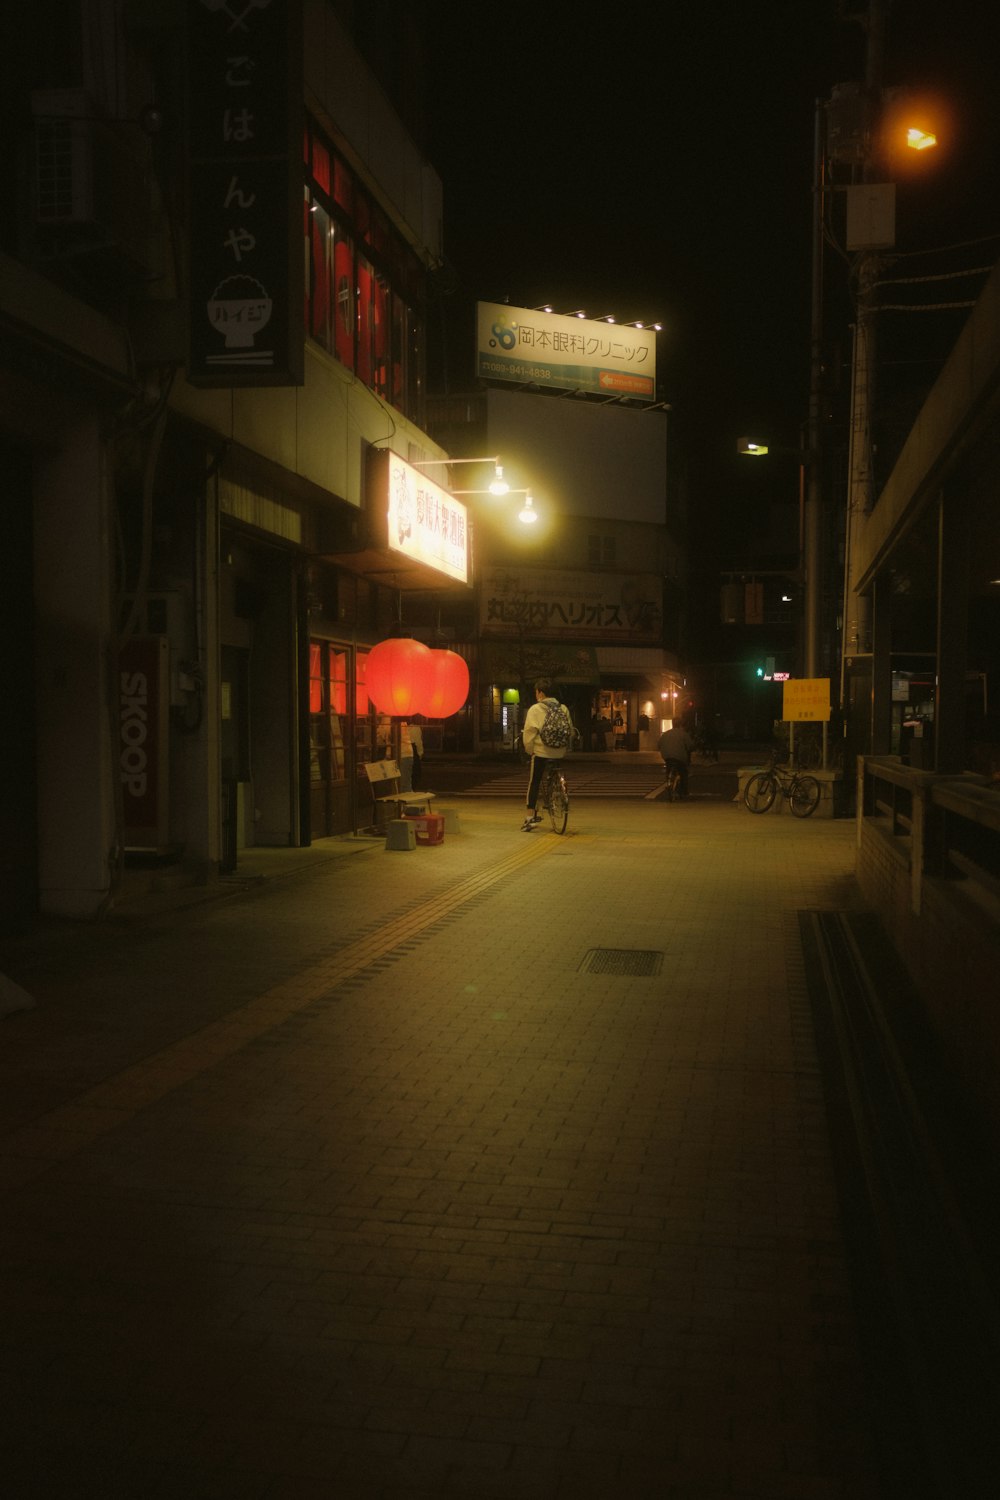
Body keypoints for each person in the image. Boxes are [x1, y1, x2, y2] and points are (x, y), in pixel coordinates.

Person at [520, 678, 572, 831]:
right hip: (559, 751)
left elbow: (529, 733)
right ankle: (558, 792)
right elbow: (569, 731)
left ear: (541, 693)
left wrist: (530, 750)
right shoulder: (563, 709)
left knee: (534, 782)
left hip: (541, 751)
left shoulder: (535, 709)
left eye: (536, 692)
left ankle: (530, 818)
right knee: (554, 772)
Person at [658, 720, 695, 799]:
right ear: (680, 725)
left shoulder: (665, 734)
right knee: (683, 772)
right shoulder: (683, 734)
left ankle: (668, 781)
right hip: (679, 757)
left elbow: (659, 745)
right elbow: (690, 746)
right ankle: (684, 791)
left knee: (669, 768)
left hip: (667, 756)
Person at [406, 717, 424, 790]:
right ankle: (411, 789)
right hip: (413, 750)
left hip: (405, 749)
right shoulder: (415, 728)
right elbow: (418, 742)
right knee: (415, 774)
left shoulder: (398, 726)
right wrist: (420, 753)